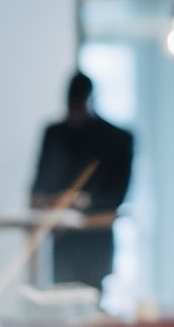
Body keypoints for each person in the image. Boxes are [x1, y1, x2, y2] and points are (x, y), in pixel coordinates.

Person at [30, 72, 134, 292]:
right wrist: (53, 200)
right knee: (60, 306)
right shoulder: (55, 134)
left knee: (91, 304)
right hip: (61, 241)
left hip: (95, 241)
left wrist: (83, 201)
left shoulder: (117, 139)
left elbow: (117, 196)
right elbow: (38, 188)